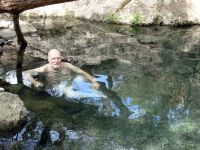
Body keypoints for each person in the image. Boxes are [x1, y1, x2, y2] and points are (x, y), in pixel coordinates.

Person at [23, 49, 100, 92]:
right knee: (68, 93)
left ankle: (94, 92)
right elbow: (25, 73)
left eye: (58, 58)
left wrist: (94, 81)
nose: (56, 61)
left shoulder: (67, 65)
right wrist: (35, 82)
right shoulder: (45, 68)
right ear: (49, 59)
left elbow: (81, 72)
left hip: (69, 82)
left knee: (81, 78)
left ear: (61, 58)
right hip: (56, 86)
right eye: (53, 58)